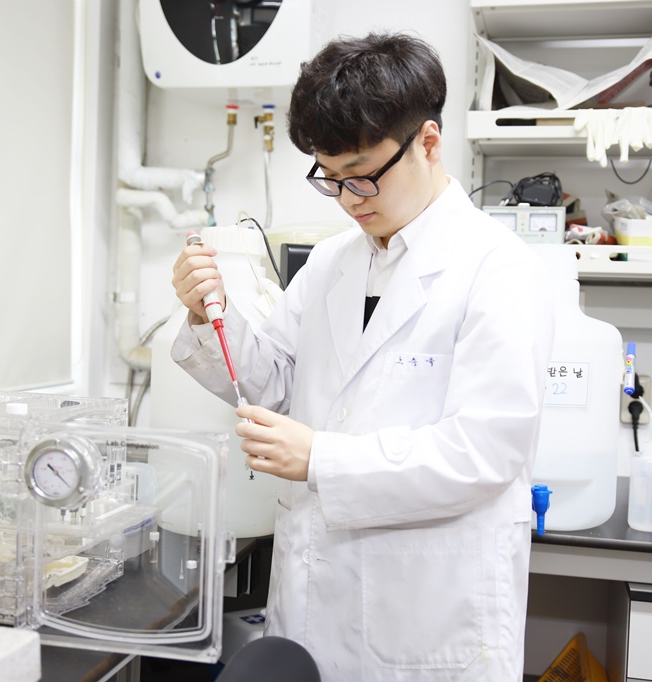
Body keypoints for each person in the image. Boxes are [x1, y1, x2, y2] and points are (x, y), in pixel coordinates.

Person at [170, 32, 555, 681]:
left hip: (427, 620)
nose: (350, 199)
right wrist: (209, 314)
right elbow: (275, 383)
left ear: (428, 143)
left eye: (364, 174)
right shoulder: (331, 264)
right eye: (331, 179)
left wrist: (320, 458)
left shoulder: (499, 269)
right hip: (314, 604)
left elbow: (484, 451)